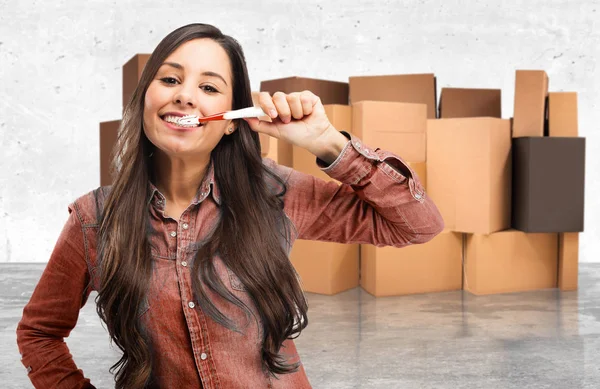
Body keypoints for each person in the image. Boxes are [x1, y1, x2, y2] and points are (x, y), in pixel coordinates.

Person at [16, 23, 444, 389]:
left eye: (208, 87)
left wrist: (329, 144)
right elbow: (39, 333)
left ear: (229, 122)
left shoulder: (273, 192)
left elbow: (418, 226)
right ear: (143, 100)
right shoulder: (94, 220)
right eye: (169, 80)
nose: (185, 96)